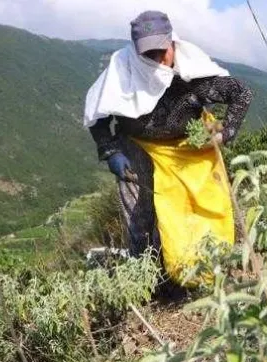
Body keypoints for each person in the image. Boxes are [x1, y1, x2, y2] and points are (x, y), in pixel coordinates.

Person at [83, 10, 252, 282]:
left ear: (172, 43)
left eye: (162, 51)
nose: (158, 59)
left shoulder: (193, 74)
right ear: (136, 52)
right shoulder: (123, 70)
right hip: (137, 147)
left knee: (202, 207)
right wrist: (111, 151)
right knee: (140, 215)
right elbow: (97, 116)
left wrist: (225, 133)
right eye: (148, 54)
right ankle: (147, 279)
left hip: (189, 148)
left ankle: (211, 268)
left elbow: (241, 93)